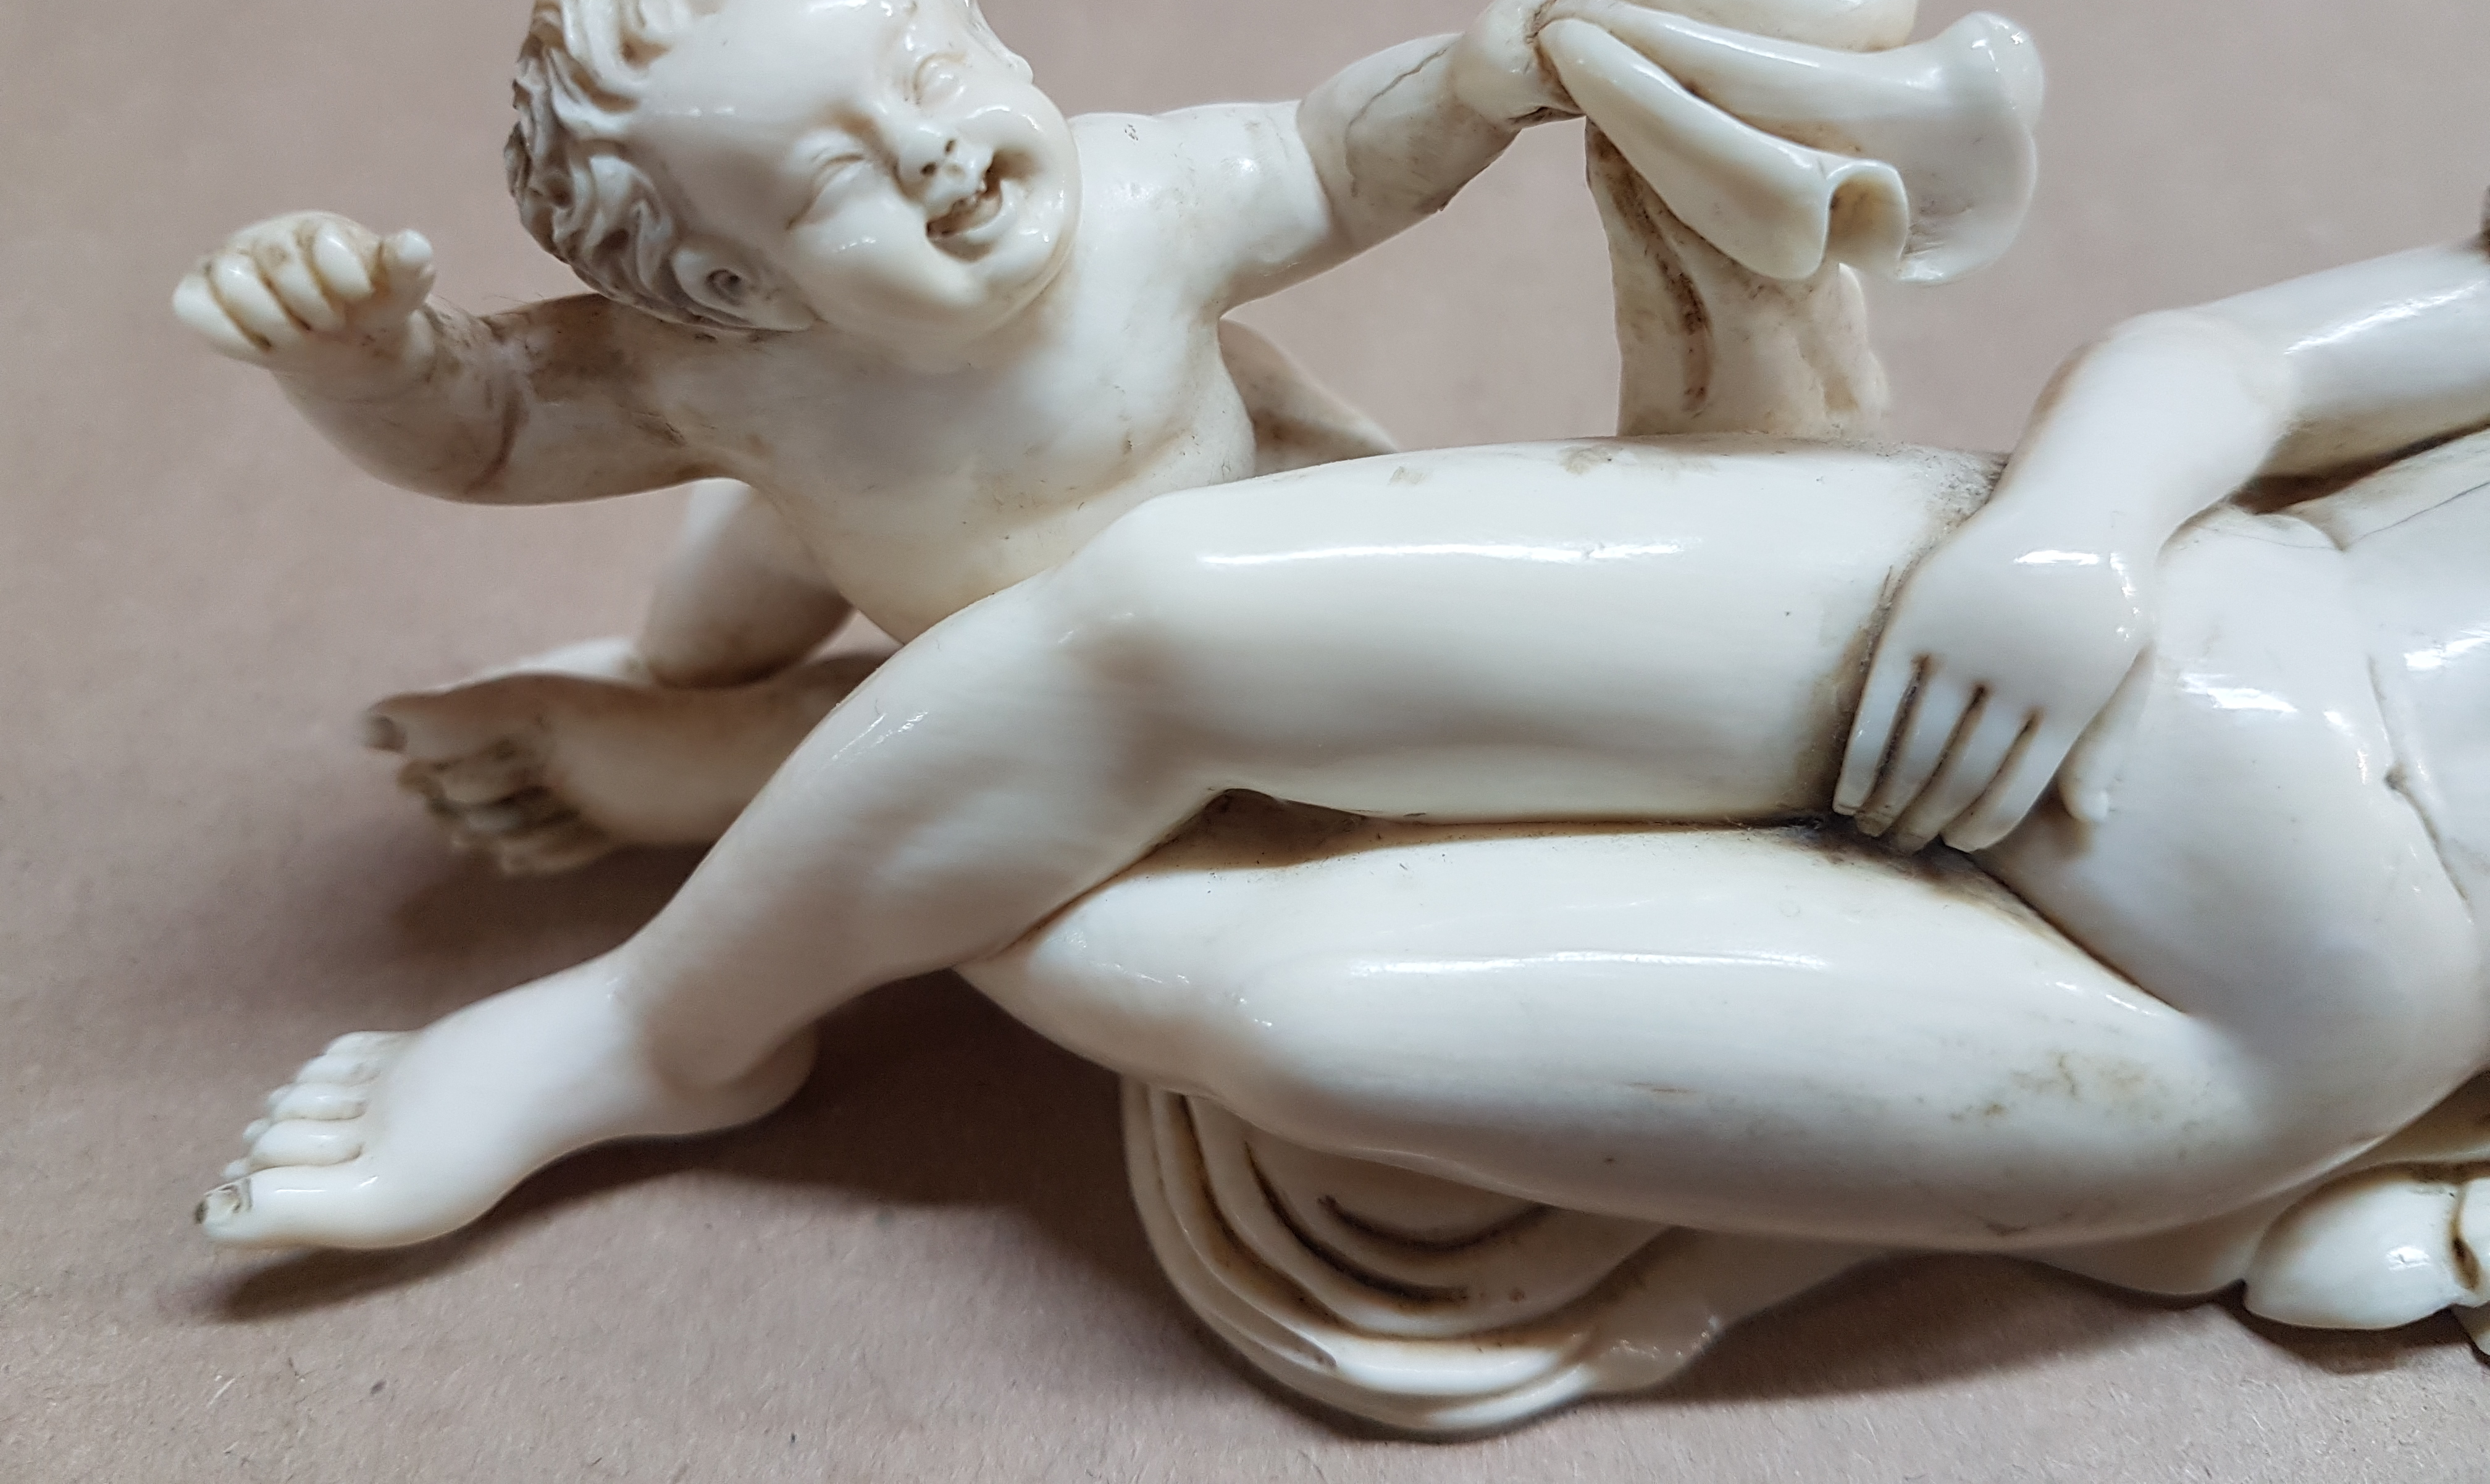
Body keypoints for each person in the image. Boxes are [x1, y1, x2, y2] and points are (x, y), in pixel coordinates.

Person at [195, 224, 2490, 1285]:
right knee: (1177, 622)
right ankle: (659, 1030)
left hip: (2300, 998)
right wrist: (2075, 537)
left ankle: (822, 756)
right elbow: (2247, 359)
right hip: (2173, 622)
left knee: (1306, 1024)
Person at [176, 0, 1977, 871]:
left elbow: (1328, 162)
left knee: (1358, 607)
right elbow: (491, 432)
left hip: (1233, 576)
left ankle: (690, 683)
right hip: (988, 658)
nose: (932, 146)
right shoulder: (705, 373)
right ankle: (645, 724)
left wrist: (1475, 79)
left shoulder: (1137, 205)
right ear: (734, 287)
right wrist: (363, 357)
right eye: (835, 176)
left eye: (935, 70)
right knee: (836, 754)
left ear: (991, 34)